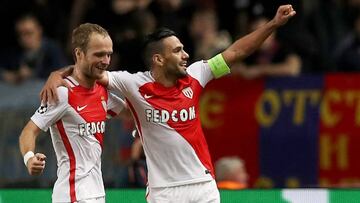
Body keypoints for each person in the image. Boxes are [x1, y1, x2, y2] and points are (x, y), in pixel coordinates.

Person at [41, 5, 296, 202]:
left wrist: (273, 24)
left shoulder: (198, 74)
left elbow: (237, 52)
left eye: (183, 49)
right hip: (164, 193)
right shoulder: (133, 84)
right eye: (177, 51)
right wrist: (58, 74)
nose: (185, 55)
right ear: (158, 59)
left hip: (202, 186)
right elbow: (90, 69)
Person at [19, 23, 126, 203]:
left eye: (109, 54)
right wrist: (29, 158)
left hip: (96, 193)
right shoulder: (62, 93)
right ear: (79, 54)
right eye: (99, 54)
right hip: (73, 195)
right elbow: (28, 131)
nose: (106, 61)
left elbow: (130, 112)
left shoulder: (102, 92)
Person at [2, 14, 67, 84]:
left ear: (39, 30)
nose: (24, 38)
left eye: (29, 33)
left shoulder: (52, 50)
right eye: (20, 34)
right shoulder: (15, 52)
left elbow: (63, 73)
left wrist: (34, 74)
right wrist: (10, 75)